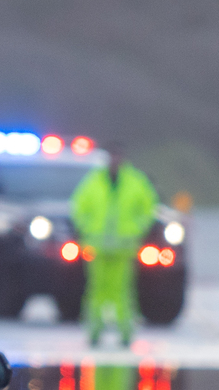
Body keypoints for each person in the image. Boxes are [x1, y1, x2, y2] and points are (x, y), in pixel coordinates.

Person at [68, 143, 158, 347]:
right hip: (98, 248)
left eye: (118, 156)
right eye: (112, 156)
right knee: (96, 292)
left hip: (123, 249)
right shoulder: (93, 182)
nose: (115, 161)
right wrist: (87, 230)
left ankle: (125, 333)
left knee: (122, 293)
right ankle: (94, 332)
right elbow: (79, 208)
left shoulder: (136, 182)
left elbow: (148, 209)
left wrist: (136, 230)